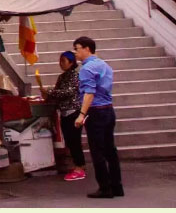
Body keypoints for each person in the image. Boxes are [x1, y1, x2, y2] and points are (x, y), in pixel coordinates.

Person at [73, 36, 122, 198]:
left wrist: (81, 114)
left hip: (95, 112)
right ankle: (117, 186)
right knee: (110, 150)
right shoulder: (104, 65)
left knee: (97, 152)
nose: (75, 52)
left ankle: (105, 187)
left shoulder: (86, 69)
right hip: (108, 110)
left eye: (77, 48)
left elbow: (89, 92)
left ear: (87, 48)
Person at [38, 51, 86, 181]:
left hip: (74, 112)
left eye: (64, 61)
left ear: (71, 63)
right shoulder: (62, 77)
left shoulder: (75, 76)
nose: (61, 64)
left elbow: (68, 92)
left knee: (74, 140)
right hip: (64, 112)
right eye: (60, 61)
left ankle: (80, 166)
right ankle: (78, 164)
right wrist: (47, 95)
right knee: (69, 141)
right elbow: (57, 93)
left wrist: (50, 91)